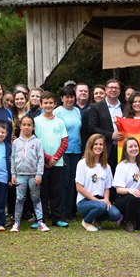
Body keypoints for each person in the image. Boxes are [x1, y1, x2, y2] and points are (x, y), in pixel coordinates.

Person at [34, 91, 68, 228]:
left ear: (55, 104)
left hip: (58, 163)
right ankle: (41, 219)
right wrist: (47, 158)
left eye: (50, 103)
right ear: (41, 104)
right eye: (45, 103)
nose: (48, 105)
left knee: (56, 191)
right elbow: (34, 142)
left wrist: (55, 158)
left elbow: (64, 142)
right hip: (41, 163)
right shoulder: (36, 121)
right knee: (42, 192)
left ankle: (57, 218)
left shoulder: (59, 122)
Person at [75, 134, 121, 231]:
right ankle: (86, 221)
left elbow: (107, 188)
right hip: (84, 201)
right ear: (90, 146)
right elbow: (79, 187)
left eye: (101, 144)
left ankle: (96, 218)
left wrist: (106, 200)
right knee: (101, 206)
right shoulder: (82, 163)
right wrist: (96, 200)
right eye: (95, 144)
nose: (98, 146)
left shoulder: (106, 166)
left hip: (100, 201)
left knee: (116, 214)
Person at [10, 115, 46, 233]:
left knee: (36, 198)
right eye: (24, 125)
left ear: (33, 127)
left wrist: (39, 174)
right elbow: (13, 158)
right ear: (20, 126)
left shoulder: (37, 142)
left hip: (33, 175)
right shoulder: (15, 142)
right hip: (20, 175)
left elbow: (41, 159)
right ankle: (17, 223)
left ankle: (40, 222)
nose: (26, 127)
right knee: (19, 198)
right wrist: (13, 174)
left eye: (29, 125)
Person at [112, 137, 140, 232]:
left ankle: (129, 219)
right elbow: (118, 190)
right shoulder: (121, 166)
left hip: (137, 198)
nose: (134, 148)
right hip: (122, 200)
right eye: (130, 147)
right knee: (133, 197)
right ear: (125, 150)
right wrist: (130, 190)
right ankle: (128, 222)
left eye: (135, 146)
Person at [55, 85, 83, 226]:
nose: (70, 99)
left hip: (76, 151)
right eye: (67, 97)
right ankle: (62, 212)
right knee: (64, 182)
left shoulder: (77, 111)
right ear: (62, 98)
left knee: (73, 182)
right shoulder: (58, 112)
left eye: (72, 96)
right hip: (63, 152)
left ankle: (71, 211)